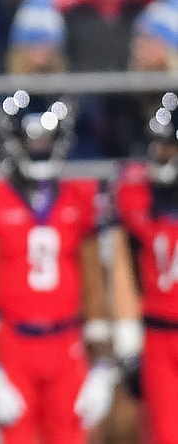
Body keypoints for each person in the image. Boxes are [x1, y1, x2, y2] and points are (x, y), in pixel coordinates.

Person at [0, 90, 118, 443]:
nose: (39, 146)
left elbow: (95, 286)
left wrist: (103, 364)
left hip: (68, 344)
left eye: (46, 137)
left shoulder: (82, 197)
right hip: (13, 342)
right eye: (31, 138)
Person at [111, 92, 178, 444]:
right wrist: (126, 334)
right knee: (163, 434)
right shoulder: (138, 194)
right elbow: (125, 259)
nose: (160, 155)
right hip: (159, 331)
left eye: (168, 147)